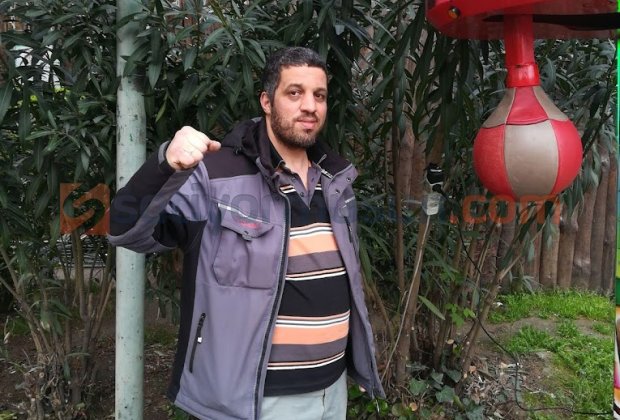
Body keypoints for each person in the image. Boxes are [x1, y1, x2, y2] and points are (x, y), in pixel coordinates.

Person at [108, 46, 384, 420]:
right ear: (266, 101)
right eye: (295, 92)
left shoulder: (336, 181)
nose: (310, 106)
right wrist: (164, 164)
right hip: (257, 401)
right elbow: (126, 231)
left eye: (319, 95)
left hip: (332, 393)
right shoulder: (216, 175)